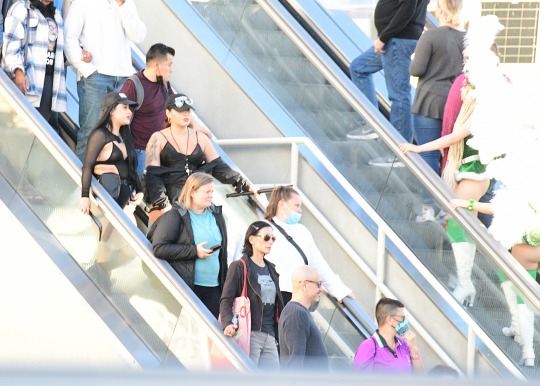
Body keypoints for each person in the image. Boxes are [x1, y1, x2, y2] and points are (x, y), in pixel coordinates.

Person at [399, 16, 508, 307]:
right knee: (462, 223)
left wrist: (421, 149)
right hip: (469, 164)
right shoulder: (477, 90)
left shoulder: (487, 92)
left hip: (476, 166)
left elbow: (460, 133)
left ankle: (466, 283)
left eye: (469, 58)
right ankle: (466, 282)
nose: (465, 63)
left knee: (457, 221)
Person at [144, 93, 256, 223]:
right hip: (168, 204)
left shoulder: (200, 138)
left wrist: (246, 185)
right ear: (168, 113)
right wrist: (164, 205)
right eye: (180, 111)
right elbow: (153, 176)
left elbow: (220, 168)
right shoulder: (157, 138)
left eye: (188, 110)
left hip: (195, 202)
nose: (185, 114)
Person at [348, 0, 428, 167]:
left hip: (396, 39)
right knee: (358, 68)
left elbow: (407, 8)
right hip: (395, 39)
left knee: (399, 95)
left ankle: (399, 153)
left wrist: (383, 38)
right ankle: (370, 123)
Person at [64, 0, 146, 161]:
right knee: (90, 133)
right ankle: (79, 181)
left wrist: (123, 5)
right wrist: (89, 71)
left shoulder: (126, 4)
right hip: (95, 79)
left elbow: (139, 35)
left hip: (122, 79)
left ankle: (106, 183)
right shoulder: (83, 3)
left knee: (118, 135)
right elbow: (69, 38)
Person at [119, 43, 212, 178]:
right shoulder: (133, 85)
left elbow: (176, 105)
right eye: (169, 65)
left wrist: (195, 124)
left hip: (159, 151)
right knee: (135, 192)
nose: (172, 69)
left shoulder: (164, 83)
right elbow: (119, 118)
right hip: (139, 153)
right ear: (157, 66)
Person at [409, 0, 465, 222]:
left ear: (441, 10)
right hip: (457, 106)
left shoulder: (430, 36)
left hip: (429, 102)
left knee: (428, 155)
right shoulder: (469, 38)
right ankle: (447, 206)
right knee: (451, 158)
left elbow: (416, 69)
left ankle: (428, 208)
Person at [148, 173, 228, 318]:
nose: (211, 195)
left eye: (212, 191)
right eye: (207, 192)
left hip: (214, 289)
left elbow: (224, 255)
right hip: (188, 287)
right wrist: (194, 251)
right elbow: (159, 248)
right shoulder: (175, 215)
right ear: (192, 192)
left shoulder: (216, 215)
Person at [263, 185, 353, 305]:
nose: (300, 210)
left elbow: (319, 264)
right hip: (269, 297)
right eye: (296, 205)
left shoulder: (302, 231)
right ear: (282, 205)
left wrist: (340, 291)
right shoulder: (263, 229)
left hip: (296, 298)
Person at [220, 221, 284, 369]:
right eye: (266, 237)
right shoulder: (240, 266)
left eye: (273, 238)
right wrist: (227, 322)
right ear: (252, 239)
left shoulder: (272, 270)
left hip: (269, 335)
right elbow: (226, 299)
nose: (270, 242)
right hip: (250, 333)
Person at [2, 0, 67, 132]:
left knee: (39, 131)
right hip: (27, 79)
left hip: (48, 82)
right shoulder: (21, 8)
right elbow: (11, 44)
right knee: (17, 130)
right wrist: (18, 72)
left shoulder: (57, 15)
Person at [79, 92, 143, 214]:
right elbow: (87, 166)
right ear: (111, 110)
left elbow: (131, 168)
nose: (129, 112)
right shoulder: (100, 135)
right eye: (124, 107)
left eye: (129, 108)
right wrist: (85, 196)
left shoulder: (126, 136)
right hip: (105, 200)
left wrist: (140, 190)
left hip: (123, 201)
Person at [353, 298, 423, 373]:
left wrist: (414, 349)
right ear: (389, 319)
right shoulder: (368, 347)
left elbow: (419, 378)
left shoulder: (403, 343)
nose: (404, 321)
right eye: (402, 318)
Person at [278, 265, 328, 370]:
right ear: (304, 285)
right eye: (318, 284)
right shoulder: (296, 314)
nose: (321, 289)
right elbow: (295, 363)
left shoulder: (298, 312)